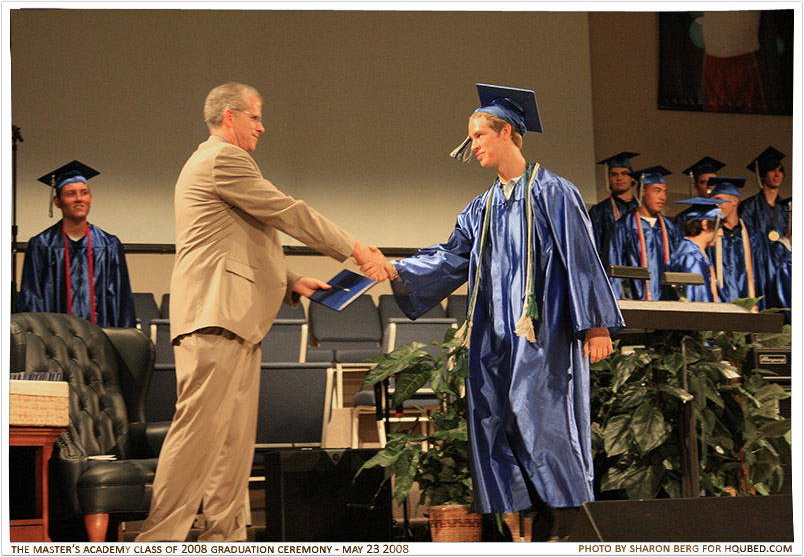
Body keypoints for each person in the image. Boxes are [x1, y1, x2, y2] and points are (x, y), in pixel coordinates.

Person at [135, 82, 387, 542]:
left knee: (231, 445)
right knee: (198, 438)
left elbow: (236, 237)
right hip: (215, 317)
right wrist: (353, 248)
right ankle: (158, 540)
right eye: (256, 116)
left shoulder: (215, 163)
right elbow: (286, 211)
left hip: (234, 321)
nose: (262, 126)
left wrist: (291, 280)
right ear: (230, 116)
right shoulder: (223, 158)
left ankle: (225, 540)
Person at [383, 84, 625, 540]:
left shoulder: (555, 193)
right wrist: (395, 268)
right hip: (495, 336)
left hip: (544, 334)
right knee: (501, 419)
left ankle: (569, 526)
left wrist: (596, 326)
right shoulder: (483, 205)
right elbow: (451, 257)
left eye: (478, 136)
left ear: (507, 132)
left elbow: (582, 258)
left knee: (543, 418)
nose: (471, 145)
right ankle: (531, 528)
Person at [18, 160, 136, 328]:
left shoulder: (109, 245)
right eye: (71, 194)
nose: (79, 199)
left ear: (91, 199)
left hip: (102, 339)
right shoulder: (41, 245)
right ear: (58, 201)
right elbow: (32, 300)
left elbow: (122, 300)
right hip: (56, 343)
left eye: (84, 193)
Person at [607, 166, 684, 300]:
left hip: (669, 302)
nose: (662, 197)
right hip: (634, 300)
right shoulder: (623, 226)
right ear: (642, 192)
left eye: (665, 192)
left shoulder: (671, 229)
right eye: (657, 191)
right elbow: (614, 268)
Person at [707, 177, 769, 309]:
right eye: (713, 202)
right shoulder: (710, 236)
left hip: (749, 307)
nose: (716, 205)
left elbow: (763, 276)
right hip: (719, 307)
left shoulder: (755, 237)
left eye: (719, 200)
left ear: (735, 201)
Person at [667, 198, 728, 302]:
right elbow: (695, 300)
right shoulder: (691, 257)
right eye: (719, 227)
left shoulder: (692, 251)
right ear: (704, 224)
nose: (721, 233)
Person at [588, 151, 640, 262]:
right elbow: (594, 249)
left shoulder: (641, 209)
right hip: (611, 271)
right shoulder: (599, 211)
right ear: (609, 179)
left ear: (632, 178)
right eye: (614, 175)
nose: (619, 178)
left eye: (624, 173)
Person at [739, 146, 789, 241]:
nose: (777, 174)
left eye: (780, 170)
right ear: (762, 175)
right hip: (758, 254)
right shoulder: (749, 206)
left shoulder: (787, 207)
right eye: (772, 170)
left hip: (784, 254)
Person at [674, 156, 725, 227]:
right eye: (704, 182)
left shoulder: (725, 214)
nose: (709, 186)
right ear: (696, 185)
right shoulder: (684, 218)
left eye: (713, 182)